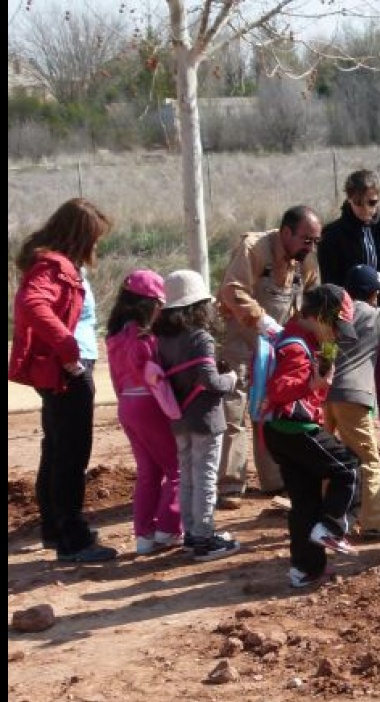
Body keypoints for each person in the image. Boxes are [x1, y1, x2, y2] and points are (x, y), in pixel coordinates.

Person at [9, 198, 119, 563]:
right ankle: (73, 539)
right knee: (71, 455)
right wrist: (68, 347)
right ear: (80, 236)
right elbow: (31, 303)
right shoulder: (53, 266)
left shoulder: (53, 262)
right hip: (68, 371)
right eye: (95, 238)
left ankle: (56, 530)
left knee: (56, 451)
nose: (97, 245)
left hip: (61, 370)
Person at [215, 206, 322, 506]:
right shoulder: (254, 249)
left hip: (276, 349)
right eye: (306, 240)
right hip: (240, 343)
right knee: (232, 412)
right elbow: (232, 289)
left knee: (271, 410)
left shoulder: (306, 261)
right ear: (286, 232)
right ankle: (230, 485)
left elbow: (311, 300)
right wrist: (261, 320)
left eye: (316, 242)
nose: (311, 247)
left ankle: (274, 480)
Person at [318, 170, 380, 483]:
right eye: (358, 203)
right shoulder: (332, 236)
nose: (365, 209)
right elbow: (329, 283)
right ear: (348, 199)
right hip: (350, 323)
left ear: (379, 198)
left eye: (371, 202)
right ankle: (343, 461)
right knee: (346, 392)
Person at [262, 284, 362, 588]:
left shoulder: (300, 338)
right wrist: (311, 382)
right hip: (294, 428)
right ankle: (333, 527)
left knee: (304, 501)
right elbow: (278, 390)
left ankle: (305, 569)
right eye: (334, 326)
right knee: (348, 466)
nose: (335, 334)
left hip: (280, 431)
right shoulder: (295, 344)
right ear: (318, 316)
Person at [154, 270, 242, 561]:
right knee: (205, 477)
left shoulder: (163, 339)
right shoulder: (200, 338)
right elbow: (210, 382)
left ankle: (192, 534)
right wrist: (231, 379)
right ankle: (204, 538)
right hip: (205, 417)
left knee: (189, 475)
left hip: (178, 418)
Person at [326, 264, 380, 540]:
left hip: (325, 394)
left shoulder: (335, 312)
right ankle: (373, 523)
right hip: (353, 397)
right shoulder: (374, 315)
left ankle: (325, 515)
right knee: (370, 462)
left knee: (327, 458)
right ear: (374, 292)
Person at [104, 270, 184, 555]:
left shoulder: (115, 336)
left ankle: (144, 536)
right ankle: (168, 529)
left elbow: (116, 378)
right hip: (148, 405)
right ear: (151, 303)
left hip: (127, 404)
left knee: (148, 472)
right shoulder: (145, 336)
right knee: (177, 468)